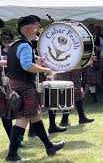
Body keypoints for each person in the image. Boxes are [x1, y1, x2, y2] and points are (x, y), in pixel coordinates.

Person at [5, 15, 64, 161]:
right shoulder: (25, 45)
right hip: (24, 85)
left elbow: (23, 64)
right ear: (28, 29)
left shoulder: (15, 45)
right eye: (35, 27)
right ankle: (12, 155)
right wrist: (45, 70)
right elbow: (26, 66)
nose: (37, 30)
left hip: (16, 85)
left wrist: (36, 62)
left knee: (36, 117)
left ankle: (49, 147)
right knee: (23, 120)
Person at [83, 25, 103, 103]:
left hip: (97, 61)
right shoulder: (86, 39)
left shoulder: (100, 39)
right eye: (92, 30)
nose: (94, 32)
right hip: (88, 62)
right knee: (89, 82)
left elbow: (101, 49)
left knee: (95, 81)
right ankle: (90, 97)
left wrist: (94, 46)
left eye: (95, 30)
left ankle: (87, 96)